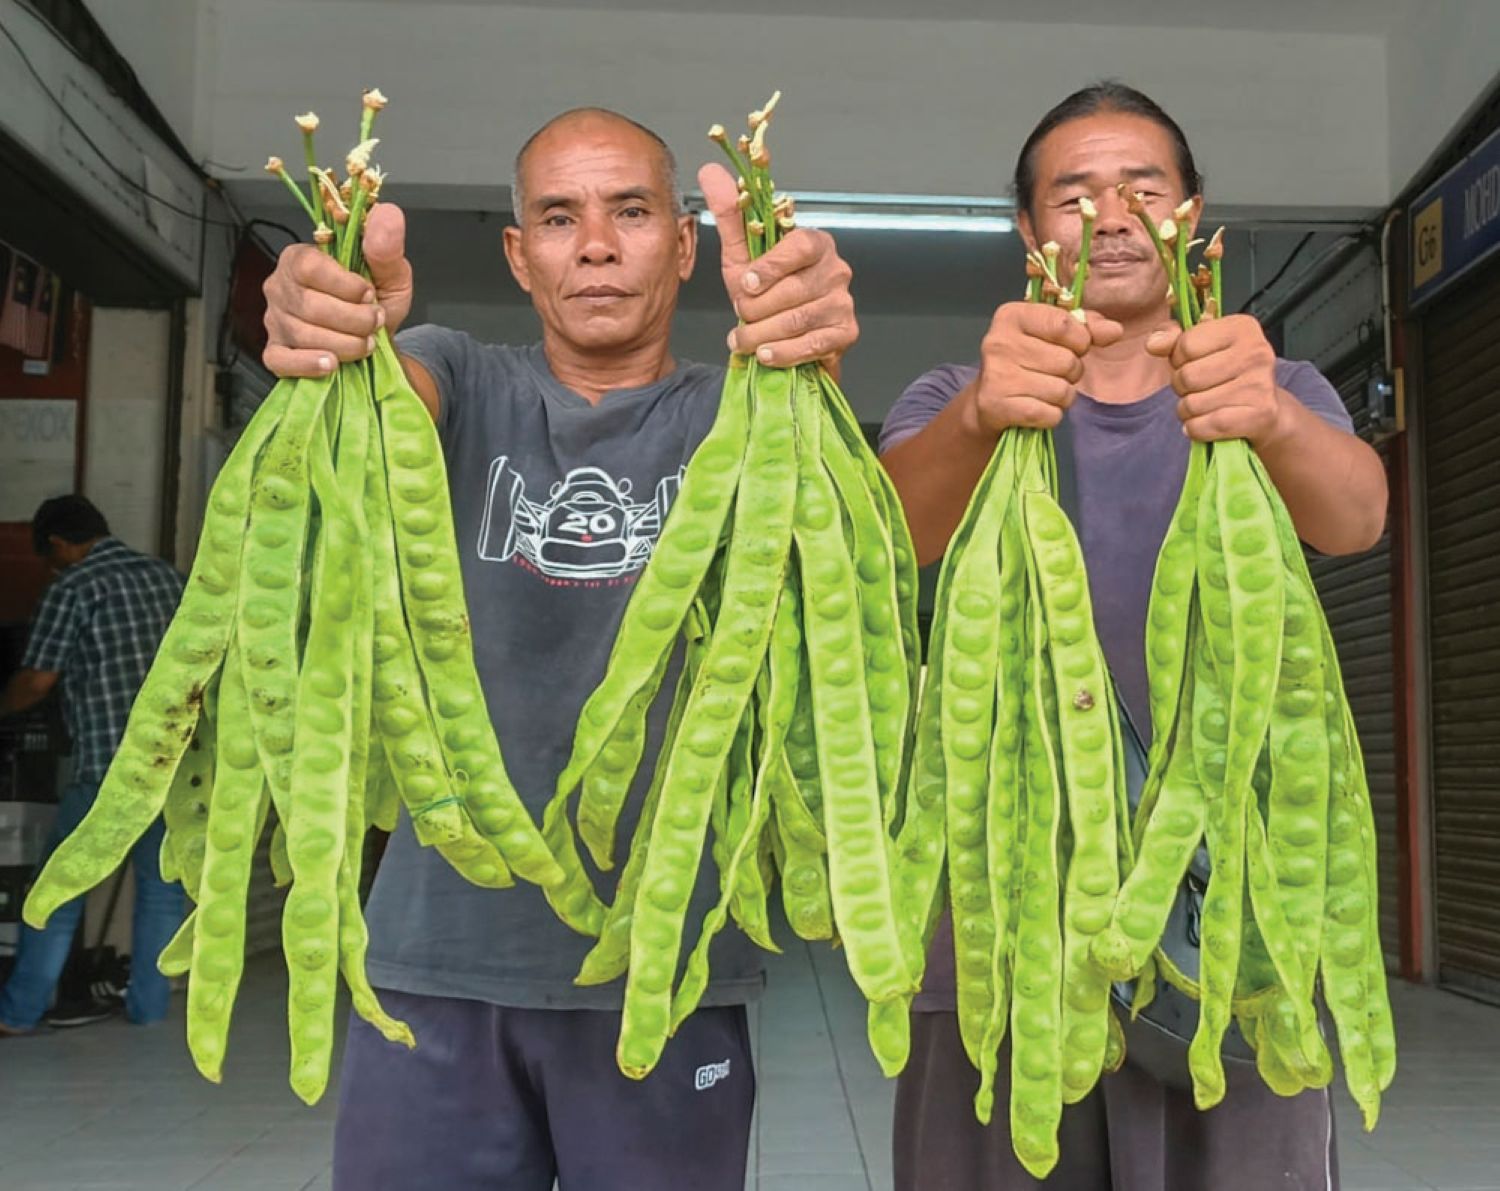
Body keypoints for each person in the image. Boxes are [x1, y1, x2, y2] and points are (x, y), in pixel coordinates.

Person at [258, 107, 858, 1190]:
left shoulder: (754, 419)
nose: (594, 244)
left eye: (631, 211)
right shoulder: (453, 377)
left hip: (665, 965)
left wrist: (805, 356)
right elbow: (386, 412)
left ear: (685, 245)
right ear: (518, 254)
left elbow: (859, 556)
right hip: (437, 957)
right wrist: (343, 344)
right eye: (557, 216)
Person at [880, 82, 1387, 1190]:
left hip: (1235, 895)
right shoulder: (954, 395)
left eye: (1140, 188)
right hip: (999, 898)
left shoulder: (1279, 387)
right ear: (1029, 233)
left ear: (1192, 219)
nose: (1108, 215)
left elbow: (1358, 517)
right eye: (1073, 194)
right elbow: (888, 538)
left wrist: (1272, 417)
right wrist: (978, 415)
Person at [0, 495, 188, 1036]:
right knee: (161, 891)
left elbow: (37, 680)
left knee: (58, 890)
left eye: (48, 557)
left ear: (59, 544)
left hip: (108, 766)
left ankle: (18, 1012)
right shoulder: (167, 580)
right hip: (171, 765)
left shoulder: (74, 586)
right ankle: (149, 1010)